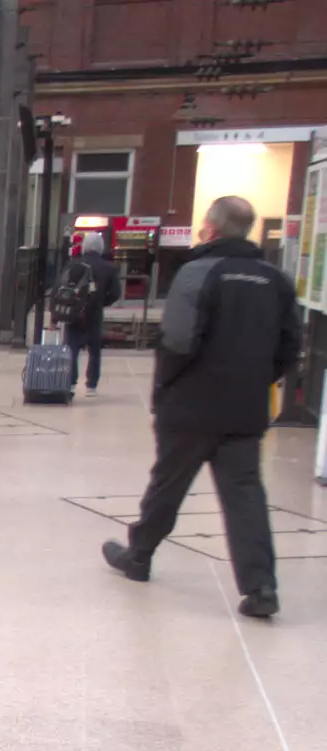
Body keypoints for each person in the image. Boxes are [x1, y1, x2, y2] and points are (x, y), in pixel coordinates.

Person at [102, 195, 299, 620]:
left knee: (168, 484)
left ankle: (139, 555)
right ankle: (260, 585)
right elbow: (289, 348)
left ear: (210, 228)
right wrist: (255, 380)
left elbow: (177, 340)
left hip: (190, 405)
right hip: (245, 410)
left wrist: (165, 387)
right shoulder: (276, 280)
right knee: (245, 494)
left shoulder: (196, 273)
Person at [59, 232, 122, 396]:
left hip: (75, 313)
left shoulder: (74, 264)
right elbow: (116, 293)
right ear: (101, 247)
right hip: (95, 313)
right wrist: (102, 302)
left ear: (85, 246)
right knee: (95, 350)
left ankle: (71, 381)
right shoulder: (109, 268)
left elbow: (63, 287)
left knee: (72, 348)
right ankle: (91, 385)